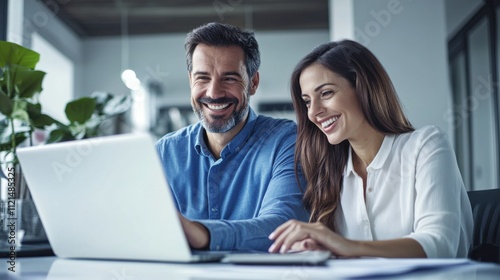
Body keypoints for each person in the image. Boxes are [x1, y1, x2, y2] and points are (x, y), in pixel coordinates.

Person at [268, 40, 473, 258]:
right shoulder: (331, 172)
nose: (314, 112)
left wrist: (345, 246)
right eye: (307, 101)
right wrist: (322, 250)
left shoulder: (425, 146)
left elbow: (440, 245)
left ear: (363, 87)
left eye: (326, 93)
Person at [155, 22, 309, 252]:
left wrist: (204, 234)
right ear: (190, 81)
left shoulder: (287, 142)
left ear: (253, 82)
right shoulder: (165, 152)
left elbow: (283, 226)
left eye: (229, 78)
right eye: (202, 78)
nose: (214, 93)